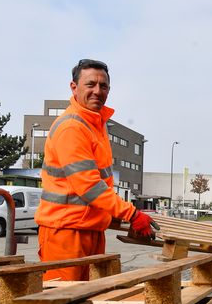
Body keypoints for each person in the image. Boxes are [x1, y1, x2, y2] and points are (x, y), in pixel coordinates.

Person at [35, 59, 157, 281]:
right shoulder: (72, 127)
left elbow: (102, 184)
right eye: (90, 84)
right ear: (74, 87)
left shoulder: (96, 125)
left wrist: (112, 215)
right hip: (65, 232)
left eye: (103, 86)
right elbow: (89, 185)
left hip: (89, 229)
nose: (97, 91)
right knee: (61, 303)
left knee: (88, 300)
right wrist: (131, 213)